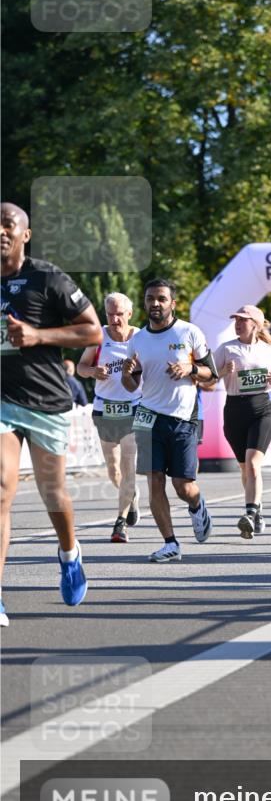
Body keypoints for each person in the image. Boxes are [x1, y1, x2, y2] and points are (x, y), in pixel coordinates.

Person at [0, 201, 102, 627]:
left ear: (25, 234)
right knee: (1, 486)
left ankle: (69, 552)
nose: (0, 231)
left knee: (53, 494)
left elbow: (92, 331)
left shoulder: (47, 277)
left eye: (8, 225)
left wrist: (38, 335)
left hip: (45, 401)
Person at [121, 279, 216, 561]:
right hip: (147, 416)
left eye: (161, 299)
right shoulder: (137, 340)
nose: (155, 304)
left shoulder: (189, 332)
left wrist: (191, 368)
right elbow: (130, 386)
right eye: (150, 298)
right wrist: (127, 374)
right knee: (155, 480)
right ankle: (171, 543)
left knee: (183, 486)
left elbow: (212, 375)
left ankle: (197, 506)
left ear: (172, 303)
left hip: (183, 418)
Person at [214, 305, 271, 537]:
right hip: (234, 411)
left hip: (261, 409)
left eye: (243, 320)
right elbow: (206, 379)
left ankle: (249, 513)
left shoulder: (267, 350)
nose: (237, 323)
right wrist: (224, 371)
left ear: (255, 324)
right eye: (235, 319)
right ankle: (258, 510)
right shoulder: (226, 348)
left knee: (254, 463)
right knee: (245, 469)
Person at [78, 292, 141, 543]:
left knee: (128, 466)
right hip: (105, 409)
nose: (115, 319)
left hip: (133, 408)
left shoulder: (140, 338)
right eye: (110, 314)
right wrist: (93, 371)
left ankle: (120, 522)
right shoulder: (98, 337)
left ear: (129, 314)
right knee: (113, 470)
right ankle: (132, 496)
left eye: (119, 314)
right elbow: (81, 367)